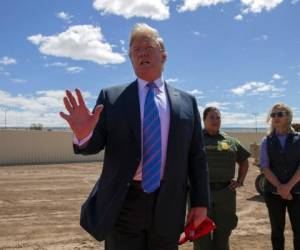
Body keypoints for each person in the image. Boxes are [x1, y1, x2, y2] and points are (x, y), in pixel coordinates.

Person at [60, 23, 210, 250]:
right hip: (122, 203)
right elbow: (92, 145)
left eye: (147, 47)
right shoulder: (112, 97)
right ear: (131, 60)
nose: (141, 53)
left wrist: (200, 202)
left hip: (169, 203)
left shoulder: (187, 102)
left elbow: (197, 157)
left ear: (164, 55)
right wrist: (84, 134)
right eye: (135, 50)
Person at [194, 107, 250, 250]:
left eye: (218, 117)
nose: (215, 120)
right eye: (211, 117)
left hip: (225, 194)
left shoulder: (230, 141)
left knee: (223, 233)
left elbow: (244, 160)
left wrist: (240, 181)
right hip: (201, 194)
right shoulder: (194, 139)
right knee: (201, 236)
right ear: (204, 120)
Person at [259, 103, 300, 250]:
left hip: (297, 192)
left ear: (288, 117)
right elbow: (265, 167)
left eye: (280, 114)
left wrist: (287, 187)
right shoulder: (266, 141)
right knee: (277, 232)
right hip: (273, 193)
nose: (276, 117)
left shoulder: (299, 138)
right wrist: (280, 188)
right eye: (273, 115)